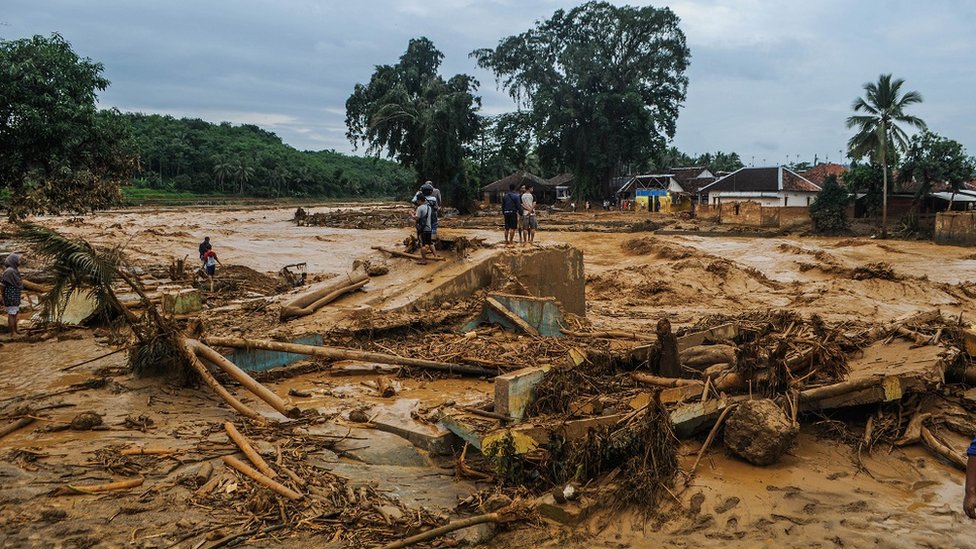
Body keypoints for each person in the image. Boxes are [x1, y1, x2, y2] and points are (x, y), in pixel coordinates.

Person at [1, 254, 23, 336]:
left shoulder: (14, 270)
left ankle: (16, 330)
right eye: (18, 260)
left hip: (14, 294)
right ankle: (13, 332)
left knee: (15, 312)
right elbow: (2, 285)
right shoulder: (9, 271)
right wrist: (2, 295)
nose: (19, 262)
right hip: (11, 294)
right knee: (11, 314)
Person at [413, 194, 437, 263]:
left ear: (420, 200)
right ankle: (435, 256)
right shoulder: (429, 207)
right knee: (430, 243)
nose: (417, 202)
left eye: (417, 201)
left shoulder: (419, 208)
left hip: (422, 229)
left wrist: (411, 214)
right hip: (429, 228)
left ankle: (424, 260)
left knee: (422, 244)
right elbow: (424, 215)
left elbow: (417, 218)